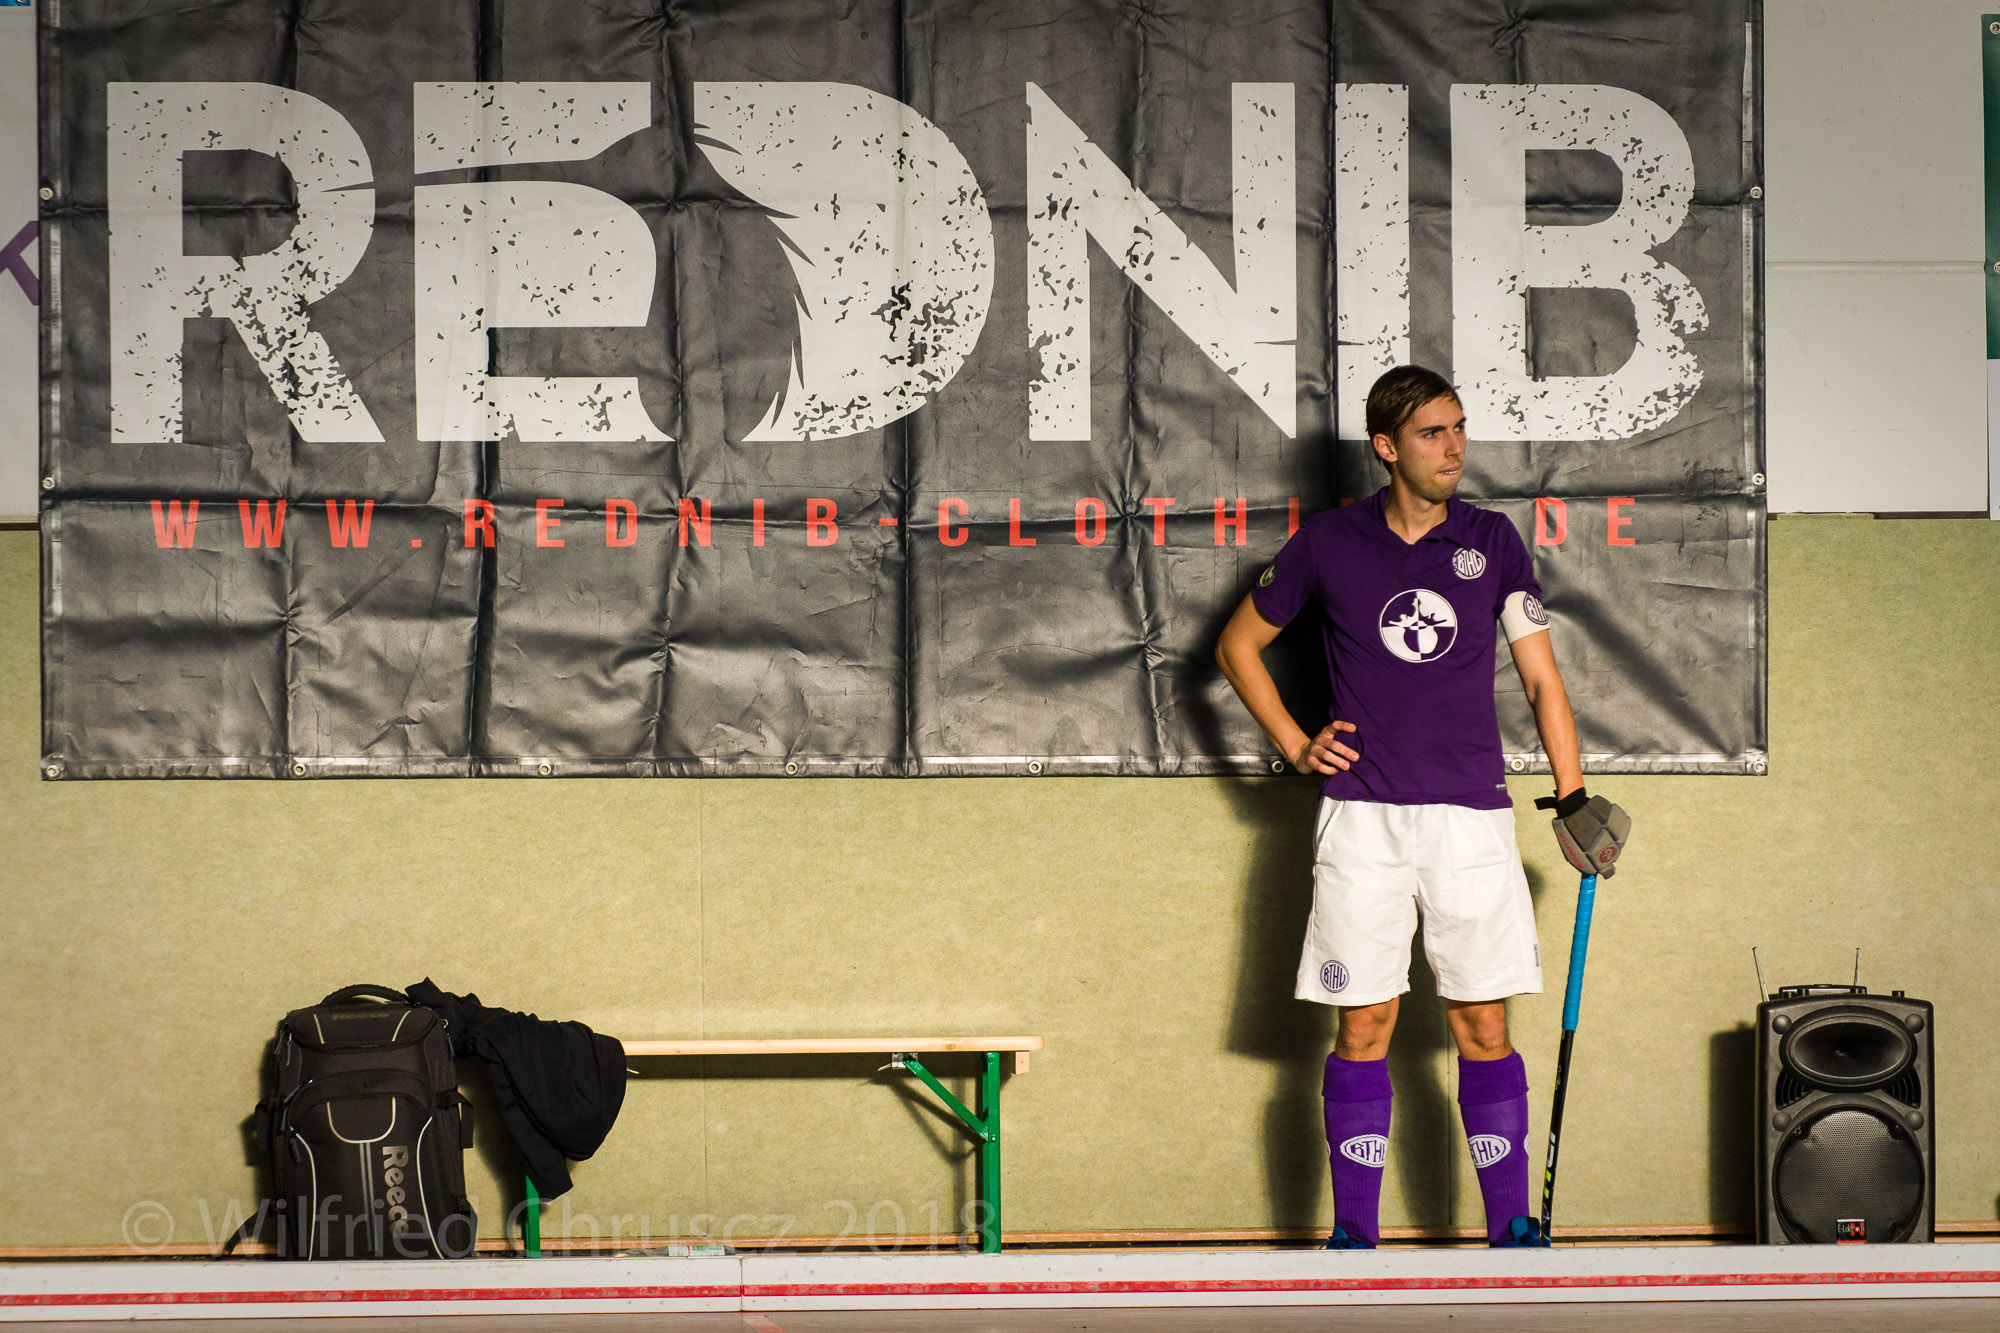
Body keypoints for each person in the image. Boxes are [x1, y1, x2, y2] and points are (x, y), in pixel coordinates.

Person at [1214, 365, 1630, 1251]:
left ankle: (1510, 1227)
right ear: (1386, 447)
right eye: (1433, 433)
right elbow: (1238, 643)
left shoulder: (1493, 540)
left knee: (1483, 1021)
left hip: (1469, 819)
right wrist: (1296, 742)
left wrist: (1573, 794)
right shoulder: (1329, 542)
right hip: (1361, 817)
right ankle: (1354, 1234)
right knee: (1363, 1023)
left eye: (1458, 428)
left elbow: (1541, 678)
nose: (1454, 447)